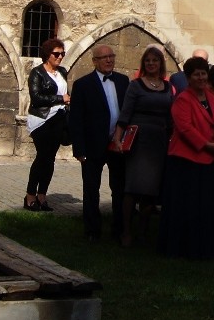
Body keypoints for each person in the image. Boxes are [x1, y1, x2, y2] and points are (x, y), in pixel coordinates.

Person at [158, 57, 214, 259]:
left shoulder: (211, 98)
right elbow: (185, 128)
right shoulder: (183, 100)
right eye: (197, 74)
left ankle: (201, 247)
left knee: (203, 206)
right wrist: (206, 145)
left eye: (204, 73)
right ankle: (181, 248)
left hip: (206, 159)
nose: (201, 77)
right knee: (184, 206)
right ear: (188, 77)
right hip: (185, 159)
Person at [113, 47, 173, 247]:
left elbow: (169, 116)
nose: (151, 64)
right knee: (133, 187)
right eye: (147, 60)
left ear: (160, 63)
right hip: (139, 140)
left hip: (159, 140)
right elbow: (125, 113)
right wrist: (118, 139)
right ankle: (127, 232)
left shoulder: (166, 87)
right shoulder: (136, 86)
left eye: (155, 60)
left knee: (150, 190)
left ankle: (143, 232)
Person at [69, 44, 129, 242]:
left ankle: (119, 229)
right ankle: (92, 231)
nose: (109, 60)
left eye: (111, 56)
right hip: (93, 145)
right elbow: (76, 119)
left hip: (117, 144)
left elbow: (127, 113)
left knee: (119, 189)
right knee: (91, 189)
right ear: (94, 61)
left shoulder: (123, 81)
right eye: (104, 57)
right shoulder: (82, 85)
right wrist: (79, 149)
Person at [24, 38, 70, 212]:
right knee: (42, 156)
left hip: (59, 118)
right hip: (41, 119)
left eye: (62, 54)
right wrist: (60, 99)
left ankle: (42, 195)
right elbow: (36, 97)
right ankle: (30, 195)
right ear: (47, 54)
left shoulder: (62, 72)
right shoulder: (37, 73)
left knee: (50, 159)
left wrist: (67, 101)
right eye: (56, 54)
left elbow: (66, 93)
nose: (60, 57)